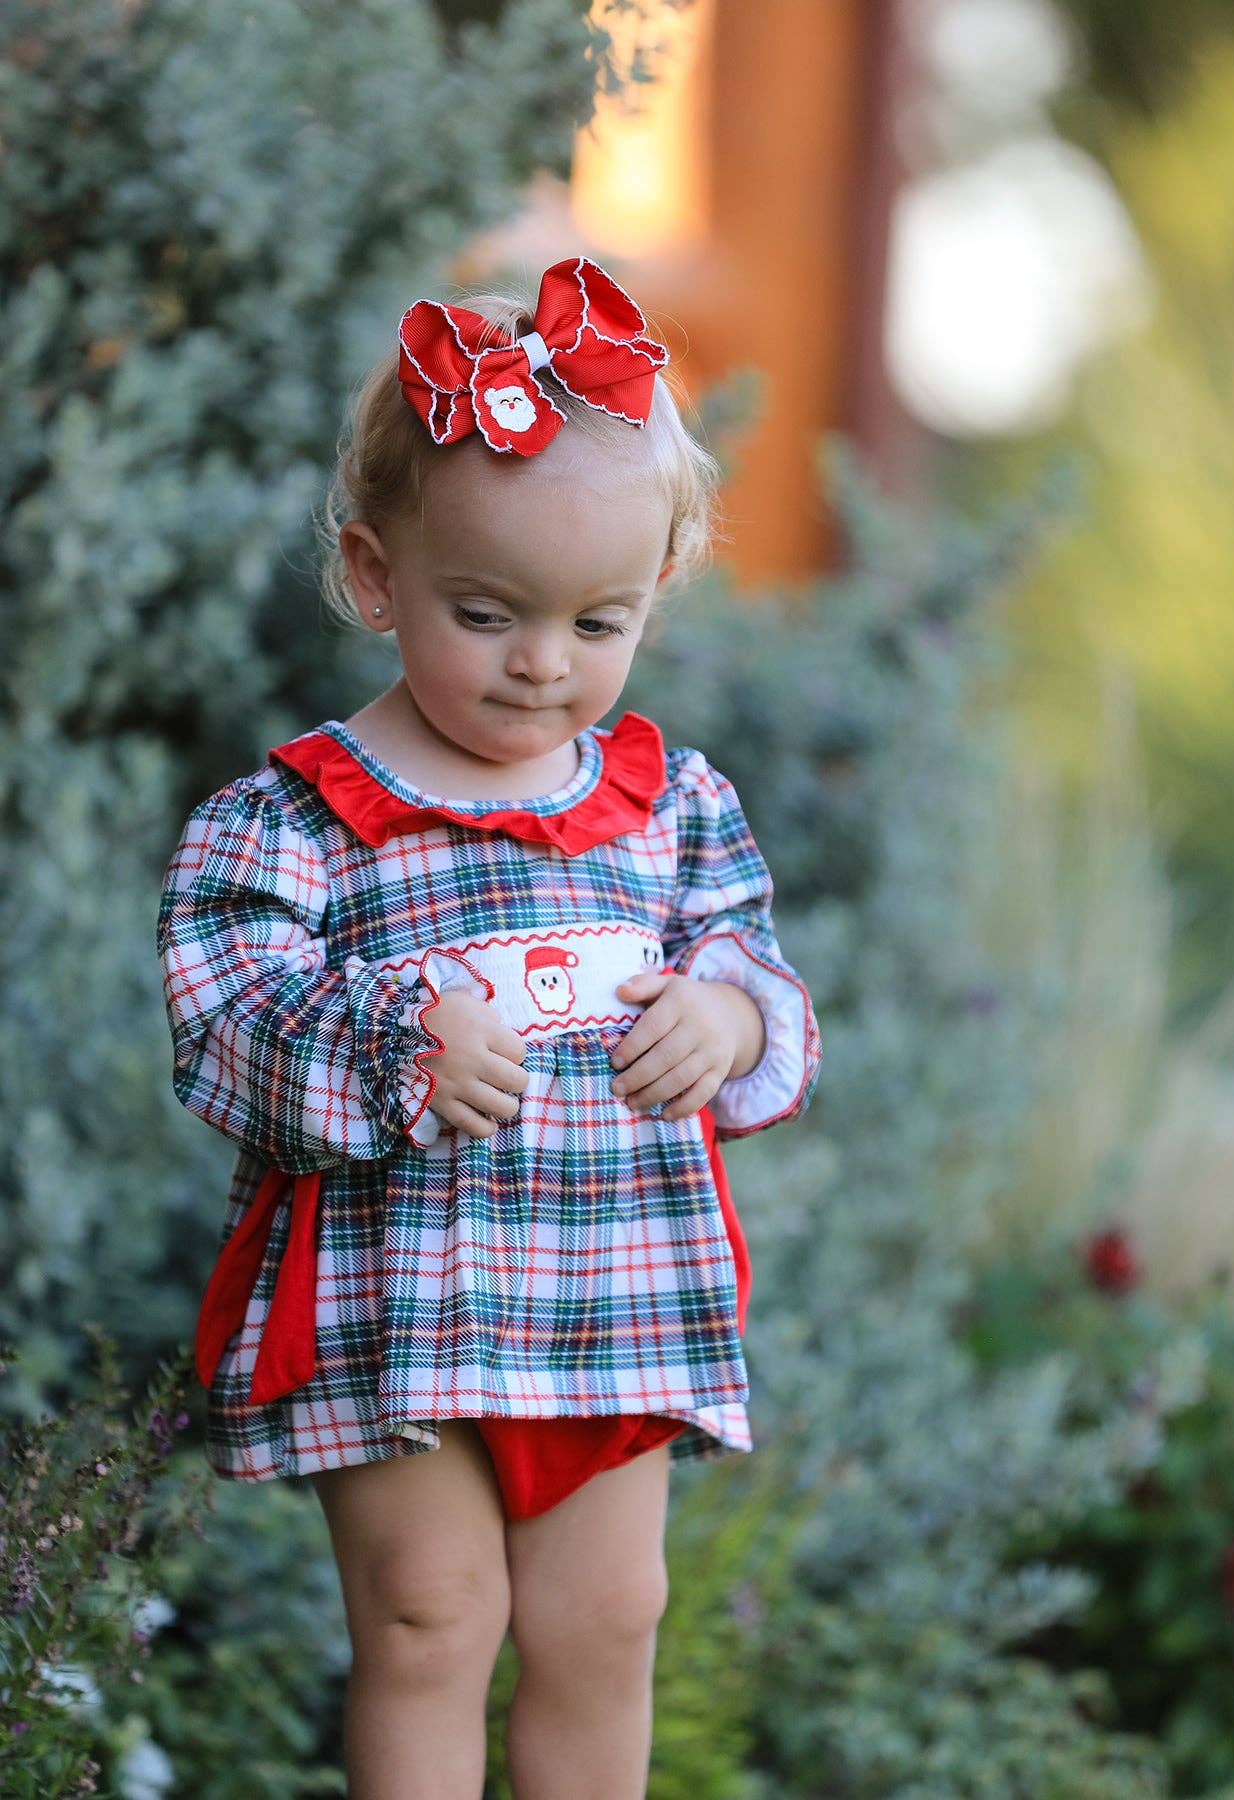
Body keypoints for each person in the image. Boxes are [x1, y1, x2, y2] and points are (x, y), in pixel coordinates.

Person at [155, 255, 823, 1798]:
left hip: (612, 1295)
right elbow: (226, 1023)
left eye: (600, 622)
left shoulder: (670, 806)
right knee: (426, 1617)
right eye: (486, 613)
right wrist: (395, 1045)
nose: (542, 665)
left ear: (658, 588)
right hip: (404, 1304)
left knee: (607, 1620)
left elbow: (759, 971)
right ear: (377, 578)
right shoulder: (301, 819)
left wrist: (726, 1017)